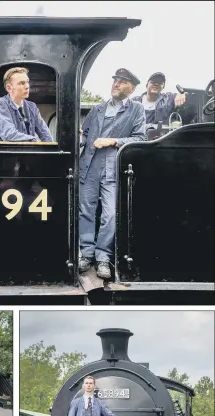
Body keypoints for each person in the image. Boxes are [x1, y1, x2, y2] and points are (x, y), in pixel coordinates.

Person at [79, 68, 146, 280]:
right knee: (86, 211)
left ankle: (103, 257)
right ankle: (86, 253)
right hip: (88, 165)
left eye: (123, 81)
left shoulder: (136, 109)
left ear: (132, 88)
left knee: (109, 215)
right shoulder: (97, 108)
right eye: (116, 80)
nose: (116, 83)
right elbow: (85, 135)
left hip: (111, 167)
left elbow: (140, 138)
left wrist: (113, 141)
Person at [0, 67, 53, 142]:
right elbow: (8, 134)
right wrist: (33, 140)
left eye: (27, 82)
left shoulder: (32, 106)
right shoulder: (1, 103)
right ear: (9, 88)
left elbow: (45, 134)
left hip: (29, 152)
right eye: (22, 83)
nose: (27, 86)